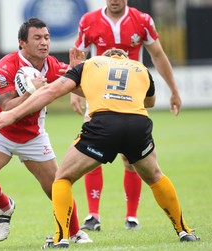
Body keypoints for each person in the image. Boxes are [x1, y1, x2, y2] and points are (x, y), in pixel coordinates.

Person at [0, 48, 200, 249]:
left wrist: (12, 114)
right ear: (123, 58)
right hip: (138, 125)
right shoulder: (140, 68)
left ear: (105, 57)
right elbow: (149, 101)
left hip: (104, 125)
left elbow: (52, 91)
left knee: (62, 178)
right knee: (155, 176)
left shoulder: (90, 64)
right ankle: (184, 230)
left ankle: (61, 238)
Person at [0, 17, 91, 244]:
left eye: (46, 37)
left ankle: (75, 232)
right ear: (22, 43)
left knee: (56, 186)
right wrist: (30, 92)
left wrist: (77, 74)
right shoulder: (5, 67)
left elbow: (85, 89)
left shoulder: (53, 66)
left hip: (32, 136)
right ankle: (5, 206)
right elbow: (7, 107)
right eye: (37, 38)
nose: (44, 42)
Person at [71, 0, 182, 231]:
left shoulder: (142, 21)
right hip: (98, 96)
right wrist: (75, 91)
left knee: (132, 158)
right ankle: (93, 216)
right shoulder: (88, 21)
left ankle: (132, 217)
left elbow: (158, 55)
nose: (114, 0)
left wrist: (174, 89)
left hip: (131, 96)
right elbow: (79, 56)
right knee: (90, 154)